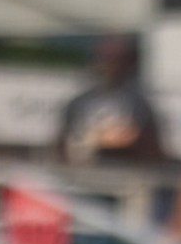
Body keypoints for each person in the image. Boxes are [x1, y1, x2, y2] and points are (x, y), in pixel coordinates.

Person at [57, 35, 165, 166]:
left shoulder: (139, 104)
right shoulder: (80, 102)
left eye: (117, 59)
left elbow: (152, 148)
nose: (108, 65)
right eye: (104, 58)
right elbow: (63, 142)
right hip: (83, 172)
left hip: (125, 171)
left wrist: (129, 141)